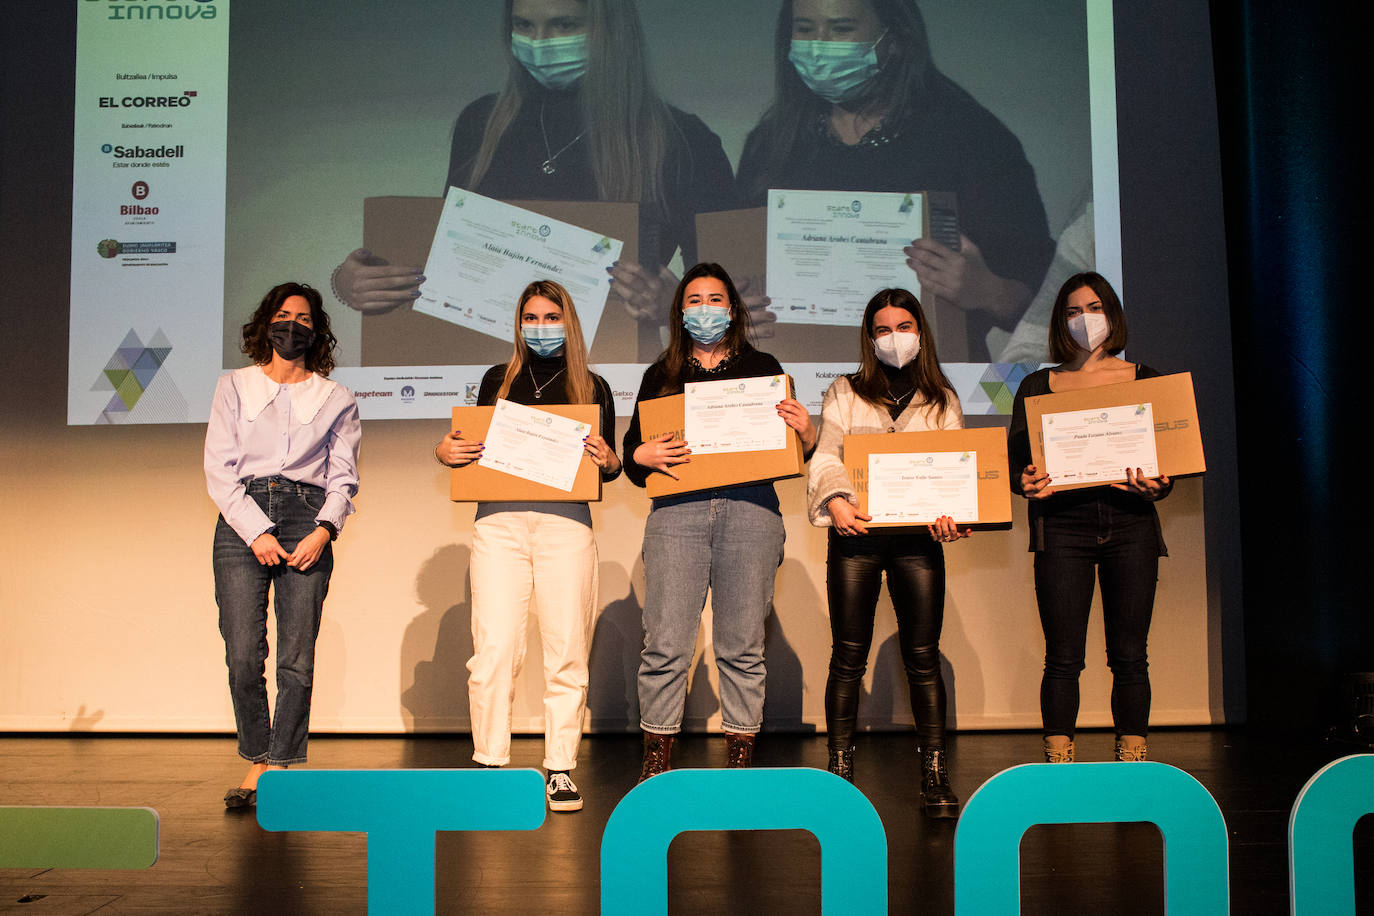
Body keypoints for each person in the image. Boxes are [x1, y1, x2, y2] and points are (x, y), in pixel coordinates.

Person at [333, 0, 735, 361]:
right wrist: (351, 282)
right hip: (491, 375)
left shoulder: (681, 139)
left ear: (611, 30)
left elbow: (734, 294)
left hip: (614, 378)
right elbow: (449, 266)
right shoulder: (483, 124)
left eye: (564, 25)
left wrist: (674, 304)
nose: (540, 43)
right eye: (524, 24)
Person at [736, 0, 1055, 361]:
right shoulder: (773, 142)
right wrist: (736, 309)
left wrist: (987, 291)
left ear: (896, 39)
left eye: (841, 29)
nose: (819, 45)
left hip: (933, 389)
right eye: (806, 29)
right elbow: (735, 268)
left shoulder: (971, 138)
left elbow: (1044, 304)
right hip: (798, 384)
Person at [622, 262, 817, 778]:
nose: (703, 309)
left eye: (714, 300)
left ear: (732, 309)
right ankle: (656, 765)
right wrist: (643, 456)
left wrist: (807, 434)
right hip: (677, 515)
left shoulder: (764, 367)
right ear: (679, 310)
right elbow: (630, 456)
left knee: (741, 645)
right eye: (693, 300)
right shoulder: (660, 374)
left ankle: (740, 766)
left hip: (751, 514)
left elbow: (790, 453)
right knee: (665, 643)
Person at [435, 279, 620, 812]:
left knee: (567, 650)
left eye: (551, 317)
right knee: (494, 648)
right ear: (518, 323)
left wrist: (609, 461)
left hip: (567, 525)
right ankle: (489, 761)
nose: (541, 328)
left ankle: (559, 766)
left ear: (570, 322)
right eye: (531, 318)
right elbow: (472, 449)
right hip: (499, 522)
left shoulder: (594, 385)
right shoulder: (499, 378)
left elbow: (611, 468)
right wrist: (446, 450)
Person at [806, 288, 966, 817]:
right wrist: (835, 499)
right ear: (869, 338)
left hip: (920, 544)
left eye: (902, 327)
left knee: (922, 658)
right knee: (847, 657)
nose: (893, 338)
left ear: (920, 332)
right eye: (881, 330)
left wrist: (954, 511)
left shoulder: (942, 398)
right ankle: (839, 770)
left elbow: (956, 474)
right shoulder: (844, 391)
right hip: (857, 538)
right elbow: (826, 453)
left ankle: (935, 773)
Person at [205, 282, 361, 808]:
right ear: (265, 323)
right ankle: (256, 752)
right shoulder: (233, 386)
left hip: (307, 518)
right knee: (243, 653)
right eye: (282, 314)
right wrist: (256, 531)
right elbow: (219, 471)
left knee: (297, 659)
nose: (291, 324)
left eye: (302, 317)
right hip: (242, 519)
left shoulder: (336, 397)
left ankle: (276, 768)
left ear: (315, 329)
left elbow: (343, 477)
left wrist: (324, 529)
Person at [1007, 271, 1172, 763]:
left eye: (1095, 308)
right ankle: (1059, 758)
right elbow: (1020, 465)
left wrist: (1159, 485)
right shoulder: (1037, 385)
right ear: (1060, 321)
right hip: (1062, 527)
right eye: (1074, 311)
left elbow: (1170, 461)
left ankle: (1133, 754)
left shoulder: (1146, 379)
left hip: (1131, 526)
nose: (1086, 320)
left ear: (1112, 315)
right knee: (1062, 657)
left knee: (1130, 654)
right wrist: (1026, 482)